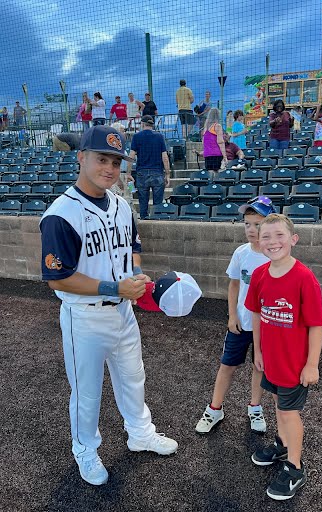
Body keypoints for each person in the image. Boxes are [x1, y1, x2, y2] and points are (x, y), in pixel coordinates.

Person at [39, 125, 178, 487]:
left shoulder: (119, 204)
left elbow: (133, 246)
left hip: (123, 311)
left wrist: (136, 277)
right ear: (81, 158)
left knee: (134, 378)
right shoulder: (61, 214)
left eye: (116, 162)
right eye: (102, 159)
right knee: (87, 391)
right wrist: (114, 285)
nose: (110, 169)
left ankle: (140, 433)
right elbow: (57, 277)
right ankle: (85, 449)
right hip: (84, 316)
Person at [245, 213, 322, 501]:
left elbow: (316, 324)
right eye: (266, 236)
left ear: (293, 239)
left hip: (294, 364)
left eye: (279, 235)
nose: (272, 242)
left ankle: (295, 466)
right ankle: (281, 444)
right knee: (278, 404)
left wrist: (312, 364)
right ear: (258, 241)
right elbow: (257, 313)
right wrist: (259, 350)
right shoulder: (259, 275)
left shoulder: (304, 278)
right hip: (272, 360)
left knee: (289, 413)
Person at [195, 196, 276, 435]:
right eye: (247, 224)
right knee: (227, 366)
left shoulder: (275, 255)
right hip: (241, 323)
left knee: (259, 367)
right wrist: (232, 316)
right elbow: (233, 286)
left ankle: (255, 408)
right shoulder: (241, 253)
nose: (251, 229)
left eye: (257, 224)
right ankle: (215, 409)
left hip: (267, 326)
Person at [127, 115, 171, 219]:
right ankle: (157, 225)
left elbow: (131, 156)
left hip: (141, 173)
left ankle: (144, 225)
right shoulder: (159, 136)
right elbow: (165, 157)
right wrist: (168, 174)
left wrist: (128, 173)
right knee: (158, 205)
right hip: (157, 172)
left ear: (142, 124)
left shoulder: (136, 137)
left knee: (143, 203)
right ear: (152, 124)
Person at [202, 107, 227, 172]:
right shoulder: (217, 126)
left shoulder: (205, 128)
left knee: (210, 174)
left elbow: (203, 142)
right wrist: (225, 156)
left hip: (207, 155)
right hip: (216, 154)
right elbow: (220, 142)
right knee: (217, 174)